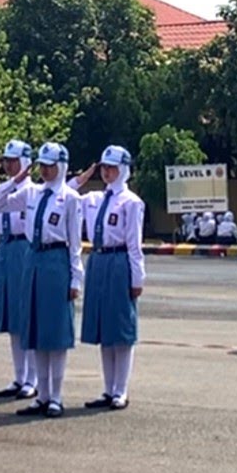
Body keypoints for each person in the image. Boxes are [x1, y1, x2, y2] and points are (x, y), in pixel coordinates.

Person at [0, 142, 84, 417]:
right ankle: (41, 395)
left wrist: (75, 278)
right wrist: (14, 181)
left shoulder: (70, 198)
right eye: (42, 166)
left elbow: (75, 242)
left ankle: (55, 396)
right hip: (32, 259)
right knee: (34, 329)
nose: (46, 171)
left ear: (61, 167)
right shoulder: (32, 193)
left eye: (50, 166)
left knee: (54, 333)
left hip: (56, 260)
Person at [79, 147, 145, 411]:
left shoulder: (131, 202)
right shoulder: (94, 199)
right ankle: (108, 389)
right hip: (99, 259)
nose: (107, 172)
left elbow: (134, 243)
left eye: (112, 167)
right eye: (104, 167)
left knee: (121, 330)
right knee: (104, 329)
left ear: (124, 169)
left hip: (119, 261)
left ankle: (121, 390)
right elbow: (68, 193)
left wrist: (137, 277)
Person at [0, 140, 39, 400]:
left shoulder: (33, 192)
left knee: (26, 315)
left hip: (23, 248)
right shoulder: (1, 191)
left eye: (14, 161)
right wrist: (9, 182)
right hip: (5, 249)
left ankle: (32, 378)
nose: (9, 165)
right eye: (6, 161)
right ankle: (19, 376)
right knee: (11, 318)